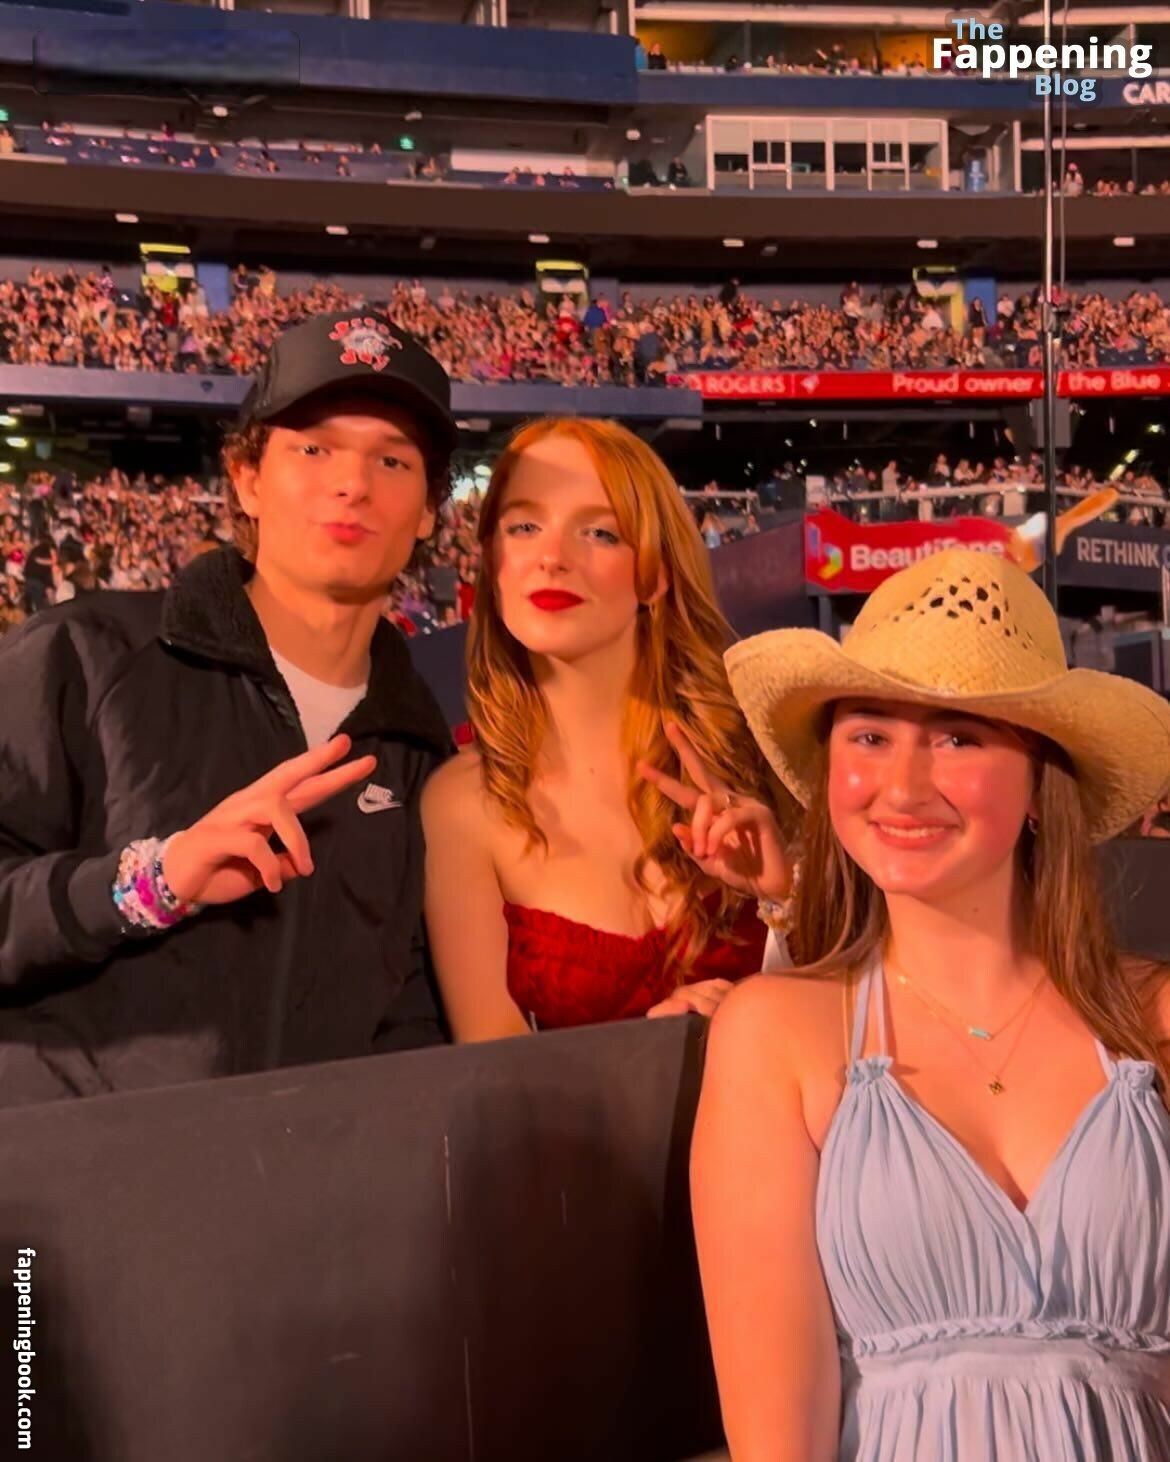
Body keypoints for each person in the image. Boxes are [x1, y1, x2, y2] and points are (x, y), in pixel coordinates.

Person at [691, 547, 1170, 1460]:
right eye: (870, 736)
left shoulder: (1155, 1019)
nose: (905, 787)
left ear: (1041, 782)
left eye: (958, 738)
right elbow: (777, 1439)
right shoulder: (774, 1037)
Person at [0, 311, 458, 1106]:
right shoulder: (85, 655)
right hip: (67, 1175)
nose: (353, 484)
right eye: (313, 449)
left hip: (308, 1179)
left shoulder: (423, 758)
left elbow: (410, 1022)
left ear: (426, 512)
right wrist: (151, 880)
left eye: (392, 459)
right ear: (247, 478)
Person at [421, 418, 796, 1041]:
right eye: (523, 527)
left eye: (599, 532)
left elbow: (876, 998)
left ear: (656, 574)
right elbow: (493, 1064)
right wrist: (642, 1053)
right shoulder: (461, 803)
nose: (552, 557)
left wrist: (786, 906)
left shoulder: (772, 755)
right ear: (492, 562)